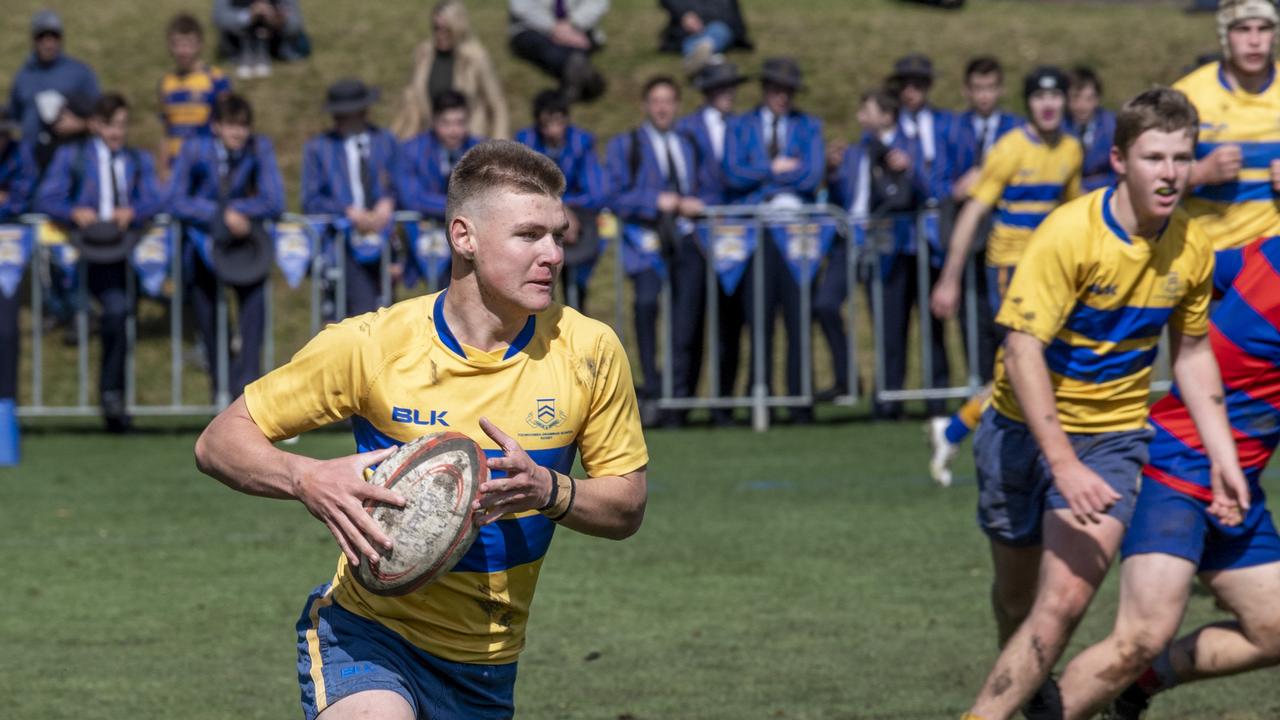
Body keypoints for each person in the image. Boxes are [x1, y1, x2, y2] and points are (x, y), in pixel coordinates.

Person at [193, 139, 648, 720]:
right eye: (529, 235)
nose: (553, 254)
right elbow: (219, 441)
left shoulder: (589, 349)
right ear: (464, 237)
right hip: (369, 634)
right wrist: (307, 477)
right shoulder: (373, 345)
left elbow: (627, 506)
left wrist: (549, 491)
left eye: (558, 235)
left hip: (487, 664)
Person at [958, 86, 1248, 720]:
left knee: (1061, 603)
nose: (1169, 173)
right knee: (1016, 599)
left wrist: (1224, 458)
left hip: (1112, 440)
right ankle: (1032, 699)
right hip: (1017, 431)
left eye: (1181, 157)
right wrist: (1060, 461)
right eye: (1154, 158)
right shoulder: (1069, 233)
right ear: (1120, 160)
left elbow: (1193, 357)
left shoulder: (1192, 247)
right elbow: (1022, 350)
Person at [1051, 235, 1280, 720]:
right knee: (1139, 636)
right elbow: (1187, 275)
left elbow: (1197, 272)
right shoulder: (1267, 255)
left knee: (1274, 628)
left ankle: (1140, 684)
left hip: (1234, 483)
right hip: (1175, 467)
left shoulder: (1267, 252)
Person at [926, 67, 1082, 487]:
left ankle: (956, 429)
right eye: (1038, 98)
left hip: (1054, 270)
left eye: (1055, 97)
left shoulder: (1071, 148)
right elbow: (973, 212)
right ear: (1028, 103)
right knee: (1024, 360)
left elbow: (1074, 212)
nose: (1048, 105)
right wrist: (950, 277)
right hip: (1010, 270)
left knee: (1027, 365)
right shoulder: (1009, 148)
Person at [33, 93, 163, 433]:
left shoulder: (137, 159)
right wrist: (73, 211)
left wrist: (134, 211)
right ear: (94, 125)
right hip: (78, 252)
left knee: (119, 315)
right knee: (92, 316)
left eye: (121, 125)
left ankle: (113, 398)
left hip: (122, 251)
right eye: (109, 125)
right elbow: (47, 196)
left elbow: (157, 197)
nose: (116, 132)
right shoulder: (72, 155)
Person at [606, 75, 715, 427]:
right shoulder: (628, 145)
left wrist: (697, 204)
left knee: (688, 320)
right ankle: (651, 387)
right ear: (645, 106)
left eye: (669, 100)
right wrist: (657, 201)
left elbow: (711, 186)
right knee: (646, 306)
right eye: (656, 100)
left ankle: (678, 401)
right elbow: (615, 195)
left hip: (688, 239)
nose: (662, 107)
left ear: (677, 106)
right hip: (646, 242)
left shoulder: (690, 143)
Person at [722, 57, 824, 424]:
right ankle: (758, 399)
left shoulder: (809, 126)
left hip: (797, 236)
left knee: (798, 316)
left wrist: (763, 179)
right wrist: (775, 169)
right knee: (758, 317)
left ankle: (801, 402)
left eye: (788, 91)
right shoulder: (741, 125)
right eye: (777, 89)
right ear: (765, 90)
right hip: (754, 234)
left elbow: (811, 175)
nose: (782, 97)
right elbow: (732, 173)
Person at [169, 93, 284, 402]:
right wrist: (220, 215)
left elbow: (274, 199)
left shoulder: (259, 148)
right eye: (232, 126)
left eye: (243, 127)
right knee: (209, 320)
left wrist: (241, 211)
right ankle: (220, 393)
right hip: (202, 247)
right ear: (216, 126)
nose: (238, 134)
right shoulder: (194, 149)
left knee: (254, 316)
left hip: (245, 248)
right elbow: (175, 198)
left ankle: (246, 394)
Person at [822, 89, 925, 412]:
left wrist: (907, 169)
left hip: (891, 242)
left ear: (886, 115)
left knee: (889, 322)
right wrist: (831, 171)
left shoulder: (908, 146)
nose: (859, 118)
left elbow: (926, 189)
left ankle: (889, 399)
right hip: (852, 239)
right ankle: (846, 378)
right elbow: (840, 195)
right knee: (824, 304)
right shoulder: (856, 151)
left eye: (866, 111)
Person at [939, 56, 1023, 429]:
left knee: (1010, 330)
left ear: (1000, 89)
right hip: (969, 240)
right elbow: (936, 178)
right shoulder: (952, 128)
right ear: (967, 91)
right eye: (979, 88)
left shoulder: (1017, 130)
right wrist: (955, 188)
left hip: (1011, 244)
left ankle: (1005, 400)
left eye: (991, 88)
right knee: (973, 321)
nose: (985, 95)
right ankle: (980, 395)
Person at [1173, 0, 1280, 254]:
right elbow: (1143, 188)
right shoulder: (1187, 95)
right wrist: (1198, 174)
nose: (1254, 41)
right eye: (1242, 29)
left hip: (1271, 264)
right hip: (1204, 255)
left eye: (1263, 28)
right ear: (1224, 34)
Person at [882, 52, 955, 419]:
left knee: (934, 322)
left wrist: (921, 176)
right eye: (906, 85)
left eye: (919, 84)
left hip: (934, 235)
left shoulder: (945, 124)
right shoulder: (890, 127)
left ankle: (937, 398)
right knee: (894, 320)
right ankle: (890, 398)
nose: (912, 91)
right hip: (899, 237)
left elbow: (948, 178)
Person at [675, 62, 747, 423]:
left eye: (731, 86)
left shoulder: (743, 126)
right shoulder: (687, 128)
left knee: (730, 324)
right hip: (698, 234)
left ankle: (724, 405)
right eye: (720, 87)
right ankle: (682, 403)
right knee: (690, 320)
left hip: (735, 236)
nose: (728, 93)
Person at [301, 79, 400, 318]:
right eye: (338, 115)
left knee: (386, 312)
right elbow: (310, 199)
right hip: (342, 243)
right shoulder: (319, 148)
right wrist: (346, 211)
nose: (341, 120)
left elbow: (401, 183)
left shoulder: (385, 141)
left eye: (347, 114)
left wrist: (389, 201)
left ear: (363, 111)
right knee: (359, 313)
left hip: (383, 239)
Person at [516, 90, 608, 309]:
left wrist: (568, 209)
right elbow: (520, 184)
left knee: (576, 290)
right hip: (536, 222)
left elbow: (597, 191)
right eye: (547, 124)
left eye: (559, 122)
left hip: (579, 229)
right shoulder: (525, 142)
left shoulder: (582, 142)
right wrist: (559, 207)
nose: (553, 130)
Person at [391, 0, 510, 141]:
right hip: (431, 139)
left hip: (469, 140)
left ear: (458, 28)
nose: (440, 34)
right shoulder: (423, 54)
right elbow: (410, 100)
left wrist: (500, 144)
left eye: (447, 29)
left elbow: (497, 105)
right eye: (436, 28)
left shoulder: (476, 57)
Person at [8, 10, 100, 153]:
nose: (48, 43)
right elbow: (14, 117)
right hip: (31, 160)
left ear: (61, 38)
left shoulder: (80, 73)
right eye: (42, 37)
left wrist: (80, 125)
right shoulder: (23, 76)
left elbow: (102, 118)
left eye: (54, 36)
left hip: (69, 156)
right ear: (33, 39)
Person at [158, 13, 232, 175]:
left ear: (200, 45)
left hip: (206, 163)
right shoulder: (166, 83)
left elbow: (228, 125)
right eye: (177, 44)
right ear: (170, 46)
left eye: (188, 44)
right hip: (175, 166)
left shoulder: (216, 79)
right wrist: (163, 170)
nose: (183, 51)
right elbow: (166, 131)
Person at [0, 108, 37, 406]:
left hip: (8, 254)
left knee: (6, 330)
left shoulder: (19, 154)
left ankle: (6, 408)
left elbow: (23, 198)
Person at [508, 0, 609, 103]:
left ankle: (575, 78)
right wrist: (554, 28)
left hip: (578, 28)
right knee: (547, 49)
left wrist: (573, 24)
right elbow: (523, 9)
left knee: (573, 50)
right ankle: (582, 77)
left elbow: (596, 3)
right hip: (533, 27)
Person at [212, 0, 309, 79]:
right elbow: (219, 18)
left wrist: (279, 21)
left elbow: (296, 23)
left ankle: (263, 53)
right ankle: (248, 53)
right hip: (237, 44)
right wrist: (248, 15)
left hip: (276, 45)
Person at [657, 0, 753, 76]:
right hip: (689, 32)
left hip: (718, 28)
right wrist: (684, 15)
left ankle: (699, 58)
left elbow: (732, 13)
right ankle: (705, 58)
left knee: (718, 31)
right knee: (690, 40)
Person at [1065, 66, 1117, 192]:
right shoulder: (1059, 127)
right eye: (1076, 98)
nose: (1082, 106)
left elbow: (1121, 171)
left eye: (1089, 99)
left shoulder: (1112, 126)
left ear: (1098, 99)